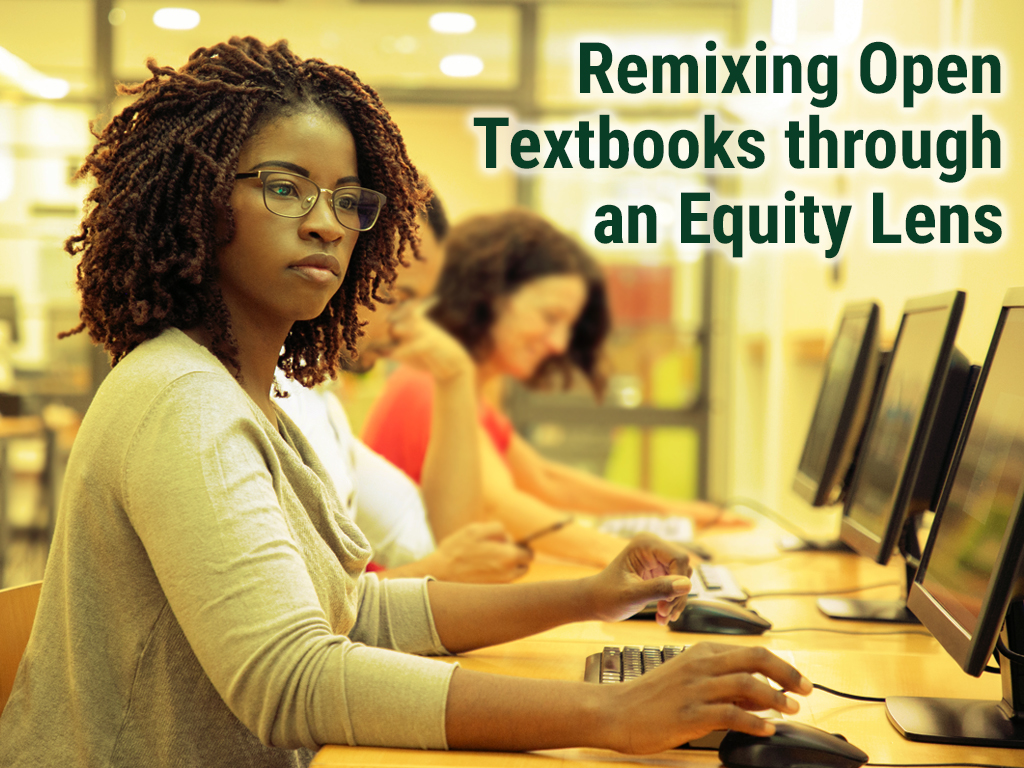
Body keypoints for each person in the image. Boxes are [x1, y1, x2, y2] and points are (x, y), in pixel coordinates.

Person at [0, 37, 811, 768]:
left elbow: (354, 613)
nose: (327, 225)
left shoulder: (248, 399)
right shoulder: (182, 402)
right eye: (287, 189)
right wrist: (607, 711)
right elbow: (294, 678)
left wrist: (588, 596)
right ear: (197, 199)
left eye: (349, 202)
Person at [362, 209, 748, 567]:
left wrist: (675, 511)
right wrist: (646, 559)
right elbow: (497, 506)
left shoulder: (465, 392)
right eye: (550, 317)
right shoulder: (428, 385)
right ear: (490, 295)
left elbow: (547, 479)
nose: (559, 343)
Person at [275, 196, 531, 582]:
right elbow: (290, 610)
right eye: (398, 298)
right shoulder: (268, 398)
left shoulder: (321, 407)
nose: (407, 328)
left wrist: (454, 376)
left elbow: (435, 543)